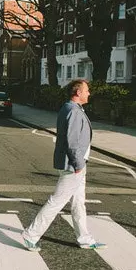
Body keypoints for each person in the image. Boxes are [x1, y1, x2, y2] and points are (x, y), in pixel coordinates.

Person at [22, 79, 105, 251]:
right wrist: (78, 163)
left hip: (77, 165)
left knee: (78, 203)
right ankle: (31, 234)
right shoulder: (73, 111)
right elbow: (72, 141)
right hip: (73, 166)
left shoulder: (71, 108)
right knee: (56, 202)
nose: (89, 93)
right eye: (86, 90)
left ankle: (85, 239)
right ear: (78, 93)